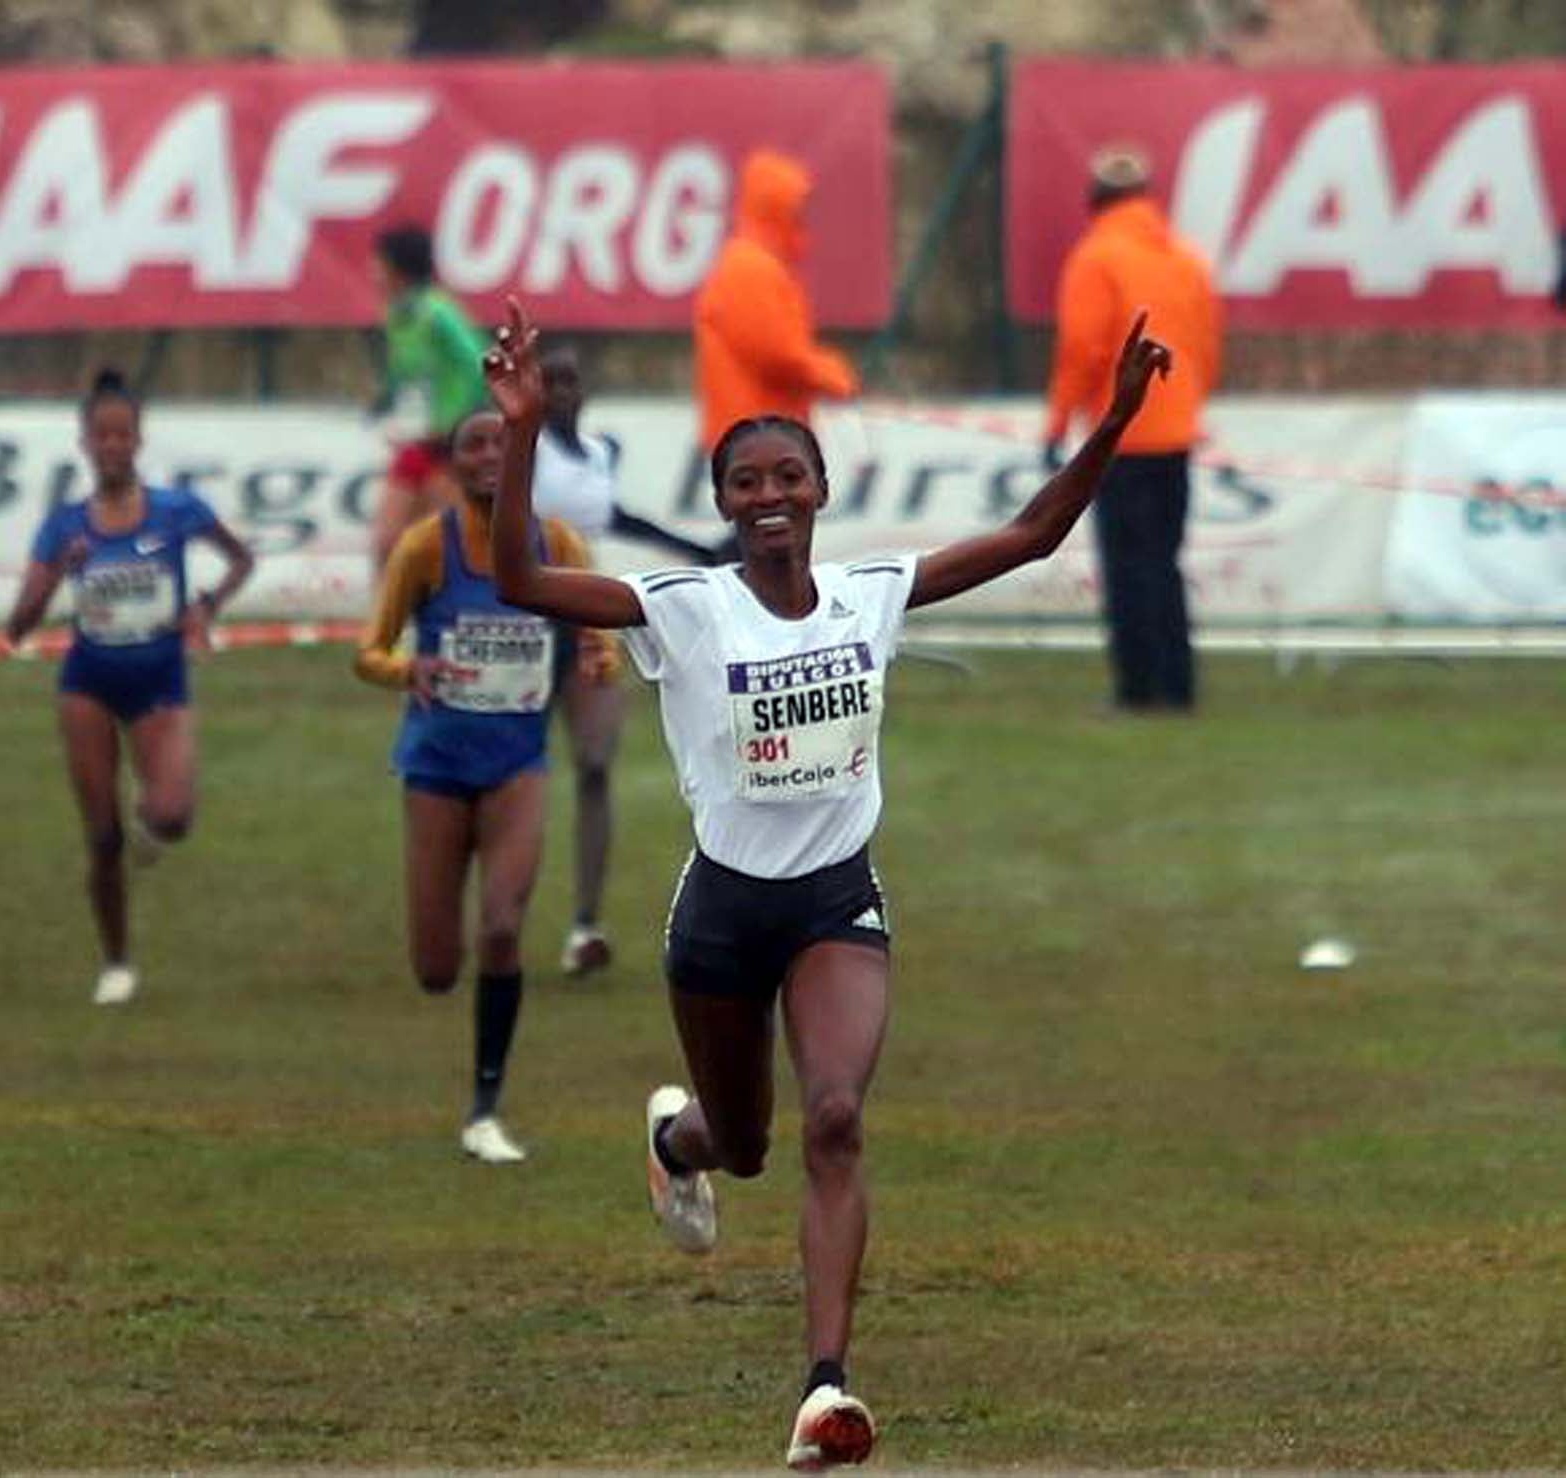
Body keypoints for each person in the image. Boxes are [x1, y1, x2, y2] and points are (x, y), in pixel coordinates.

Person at [484, 298, 1170, 1470]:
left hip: (833, 904)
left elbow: (1030, 536)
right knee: (743, 1141)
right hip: (719, 914)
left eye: (785, 475)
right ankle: (676, 1139)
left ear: (817, 492)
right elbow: (520, 581)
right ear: (722, 503)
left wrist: (1109, 420)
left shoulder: (871, 594)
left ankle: (823, 1391)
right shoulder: (681, 609)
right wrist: (518, 441)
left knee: (836, 1119)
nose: (766, 495)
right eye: (743, 480)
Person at [354, 405, 617, 1164]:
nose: (489, 457)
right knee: (438, 970)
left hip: (516, 768)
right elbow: (368, 651)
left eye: (504, 444)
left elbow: (600, 640)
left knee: (502, 928)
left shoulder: (556, 544)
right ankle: (476, 1093)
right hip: (435, 770)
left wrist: (599, 664)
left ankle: (485, 1108)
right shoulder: (425, 548)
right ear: (454, 463)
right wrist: (412, 669)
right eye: (474, 445)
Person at [6, 368, 255, 1007]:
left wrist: (206, 606)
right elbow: (18, 626)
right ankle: (116, 961)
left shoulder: (176, 512)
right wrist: (62, 571)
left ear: (139, 440)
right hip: (88, 681)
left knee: (172, 815)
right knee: (102, 836)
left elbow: (240, 558)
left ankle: (152, 828)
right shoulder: (65, 526)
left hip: (160, 677)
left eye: (124, 434)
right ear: (85, 443)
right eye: (102, 435)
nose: (114, 446)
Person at [532, 345, 719, 976]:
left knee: (593, 765)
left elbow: (614, 518)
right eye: (547, 383)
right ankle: (499, 910)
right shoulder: (515, 453)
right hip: (523, 627)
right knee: (511, 774)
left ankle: (585, 925)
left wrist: (697, 550)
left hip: (587, 625)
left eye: (570, 382)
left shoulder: (601, 453)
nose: (560, 394)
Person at [1043, 147, 1221, 713]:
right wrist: (1189, 404)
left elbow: (1084, 350)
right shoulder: (1185, 258)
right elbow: (1206, 343)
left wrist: (1058, 422)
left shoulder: (1096, 257)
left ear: (1095, 199)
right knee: (1165, 562)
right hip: (1176, 432)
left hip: (1122, 432)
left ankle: (1137, 689)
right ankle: (1178, 686)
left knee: (1126, 567)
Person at [693, 149, 859, 456]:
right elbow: (774, 354)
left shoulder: (756, 264)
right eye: (798, 206)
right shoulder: (750, 267)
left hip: (760, 434)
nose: (805, 215)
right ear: (776, 206)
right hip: (755, 437)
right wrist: (829, 373)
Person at [367, 223, 490, 572]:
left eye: (378, 264)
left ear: (397, 269)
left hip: (447, 447)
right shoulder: (394, 315)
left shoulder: (438, 312)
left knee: (447, 546)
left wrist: (458, 426)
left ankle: (448, 618)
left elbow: (477, 363)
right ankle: (386, 623)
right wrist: (384, 403)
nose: (373, 273)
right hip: (415, 441)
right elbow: (402, 373)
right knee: (387, 543)